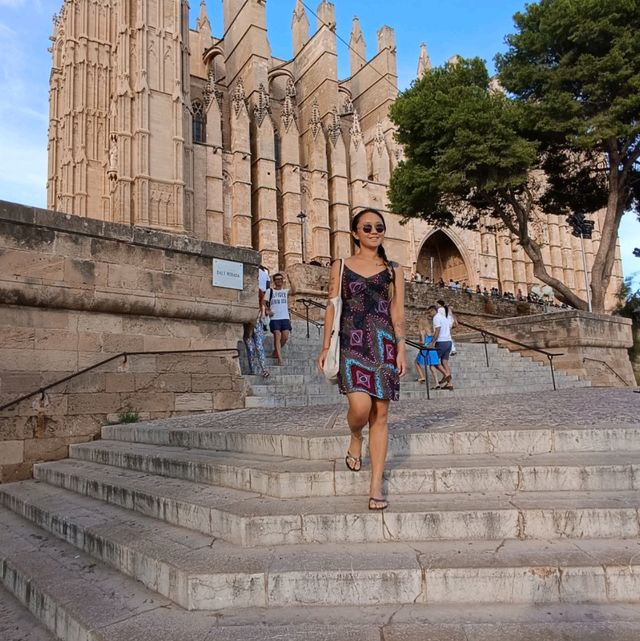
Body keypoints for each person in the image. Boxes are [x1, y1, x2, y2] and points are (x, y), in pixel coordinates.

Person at [317, 208, 406, 511]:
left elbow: (397, 311)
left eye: (378, 226)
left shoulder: (394, 269)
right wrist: (326, 345)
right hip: (352, 340)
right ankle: (355, 435)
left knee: (381, 416)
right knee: (360, 407)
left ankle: (376, 485)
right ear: (355, 233)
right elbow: (332, 305)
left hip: (383, 343)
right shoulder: (340, 266)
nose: (373, 231)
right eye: (366, 227)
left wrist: (402, 347)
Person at [243, 267, 270, 378]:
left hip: (256, 322)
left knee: (259, 346)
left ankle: (264, 369)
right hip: (247, 323)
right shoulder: (245, 290)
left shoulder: (259, 292)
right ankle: (253, 369)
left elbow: (261, 305)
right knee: (250, 348)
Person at [428, 302, 457, 390]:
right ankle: (449, 384)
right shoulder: (443, 317)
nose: (429, 314)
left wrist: (432, 342)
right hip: (448, 342)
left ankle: (446, 375)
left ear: (433, 310)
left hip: (441, 342)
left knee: (434, 362)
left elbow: (438, 330)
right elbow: (450, 327)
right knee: (444, 362)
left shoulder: (436, 318)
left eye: (430, 312)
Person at [266, 273, 291, 365]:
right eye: (277, 279)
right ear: (274, 281)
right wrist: (268, 310)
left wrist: (290, 280)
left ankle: (275, 352)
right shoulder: (270, 291)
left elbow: (295, 290)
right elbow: (264, 302)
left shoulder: (285, 291)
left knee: (285, 337)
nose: (279, 281)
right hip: (274, 318)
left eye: (280, 279)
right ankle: (280, 359)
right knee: (277, 336)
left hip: (285, 317)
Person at [415, 318, 444, 386]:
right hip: (432, 349)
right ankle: (437, 383)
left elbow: (423, 342)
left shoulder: (422, 331)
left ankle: (422, 377)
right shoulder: (430, 331)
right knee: (432, 365)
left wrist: (417, 342)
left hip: (425, 349)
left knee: (416, 362)